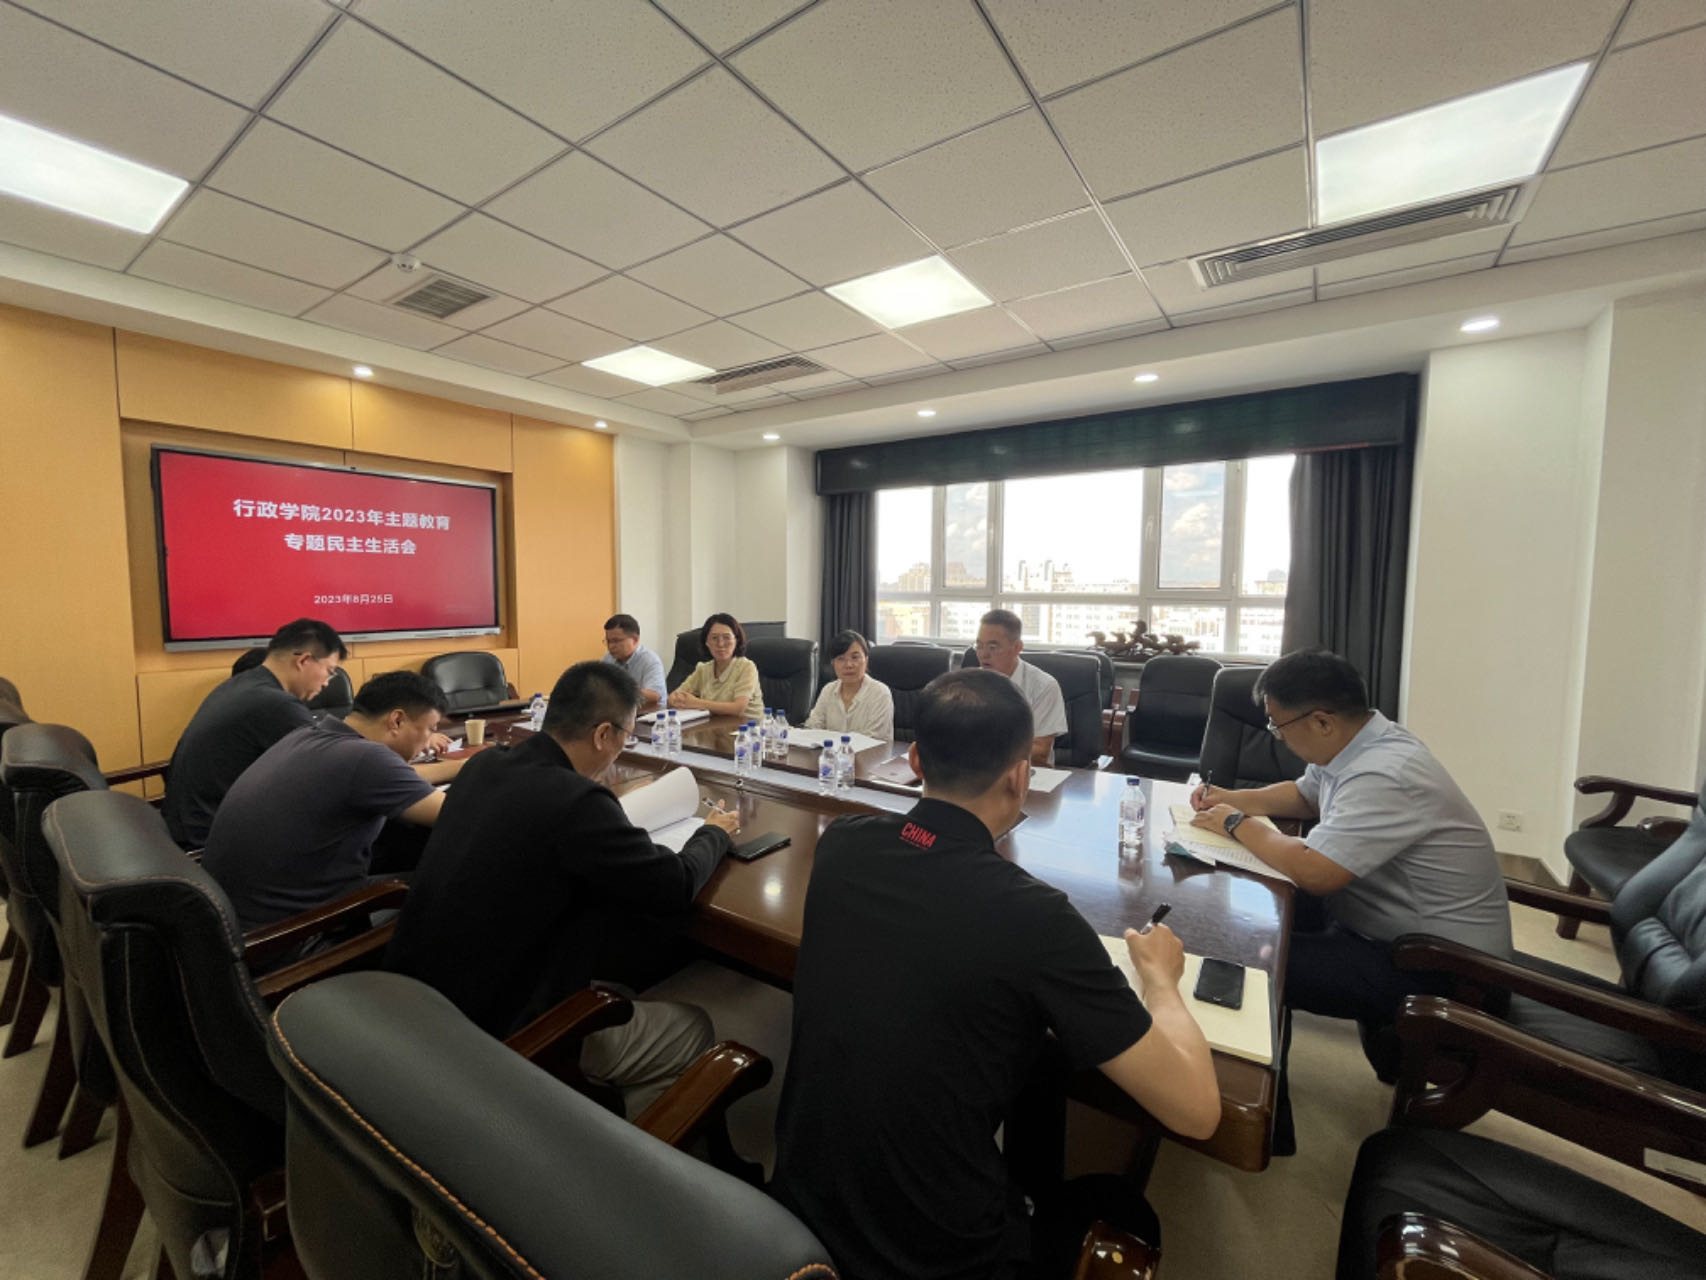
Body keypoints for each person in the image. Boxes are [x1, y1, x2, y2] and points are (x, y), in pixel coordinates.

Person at [771, 669, 1220, 1280]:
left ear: (916, 760)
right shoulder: (1037, 917)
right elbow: (1197, 1112)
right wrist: (1162, 981)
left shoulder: (842, 845)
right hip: (940, 1258)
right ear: (1019, 775)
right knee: (1122, 1208)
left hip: (797, 1213)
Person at [1188, 648, 1509, 1153]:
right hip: (1390, 927)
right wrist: (1230, 797)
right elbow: (1305, 795)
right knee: (1255, 908)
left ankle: (1258, 1124)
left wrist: (1235, 823)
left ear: (1321, 721)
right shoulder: (1362, 744)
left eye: (1277, 725)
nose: (1277, 736)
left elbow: (1316, 871)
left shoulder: (1386, 773)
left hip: (1439, 966)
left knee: (1251, 959)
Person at [386, 661, 740, 1116]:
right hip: (500, 1033)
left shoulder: (484, 765)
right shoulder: (576, 800)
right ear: (603, 735)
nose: (623, 746)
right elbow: (675, 886)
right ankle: (590, 1138)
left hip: (418, 1001)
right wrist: (714, 833)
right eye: (626, 736)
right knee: (693, 1026)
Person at [200, 671, 463, 933]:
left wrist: (465, 766)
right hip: (294, 933)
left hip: (237, 922)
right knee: (460, 881)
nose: (428, 741)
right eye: (430, 729)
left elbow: (393, 776)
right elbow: (463, 815)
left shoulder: (312, 735)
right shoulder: (367, 759)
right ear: (397, 720)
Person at [162, 618, 347, 850]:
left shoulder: (241, 684)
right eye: (329, 672)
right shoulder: (277, 704)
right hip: (213, 841)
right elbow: (327, 777)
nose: (327, 683)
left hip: (187, 825)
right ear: (304, 660)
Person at [975, 609, 1067, 766]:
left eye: (992, 647)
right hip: (974, 771)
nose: (983, 655)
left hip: (1029, 772)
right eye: (979, 646)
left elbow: (1040, 751)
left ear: (1017, 647)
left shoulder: (1044, 686)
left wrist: (982, 751)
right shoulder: (969, 683)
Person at [668, 613, 764, 720]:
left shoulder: (746, 667)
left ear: (736, 640)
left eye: (726, 637)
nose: (720, 644)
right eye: (714, 638)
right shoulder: (703, 669)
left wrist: (695, 702)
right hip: (715, 727)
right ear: (707, 642)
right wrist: (675, 700)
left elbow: (738, 708)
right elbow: (674, 697)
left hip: (748, 728)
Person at [802, 629, 894, 739]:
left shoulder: (880, 693)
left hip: (871, 751)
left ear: (866, 660)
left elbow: (874, 739)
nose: (849, 665)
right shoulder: (828, 690)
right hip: (832, 750)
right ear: (833, 663)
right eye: (841, 659)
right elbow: (813, 728)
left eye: (855, 657)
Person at [601, 613, 666, 710]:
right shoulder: (608, 659)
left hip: (649, 714)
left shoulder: (650, 660)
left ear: (635, 640)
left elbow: (654, 695)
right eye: (608, 641)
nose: (611, 646)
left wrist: (618, 692)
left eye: (616, 641)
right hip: (621, 712)